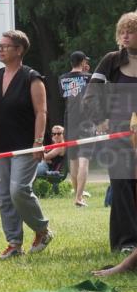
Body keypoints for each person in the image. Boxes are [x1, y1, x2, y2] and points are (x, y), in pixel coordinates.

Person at [0, 30, 53, 258]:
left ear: (19, 50)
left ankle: (42, 230)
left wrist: (38, 141)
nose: (0, 50)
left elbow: (41, 112)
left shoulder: (32, 78)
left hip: (25, 145)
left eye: (5, 46)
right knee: (4, 196)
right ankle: (14, 243)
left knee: (18, 190)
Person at [84, 11, 137, 254]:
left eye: (131, 31)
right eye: (122, 31)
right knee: (121, 185)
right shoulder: (111, 60)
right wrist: (99, 119)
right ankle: (126, 242)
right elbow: (91, 93)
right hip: (118, 135)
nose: (125, 36)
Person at [59, 50, 93, 207]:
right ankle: (79, 197)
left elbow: (65, 95)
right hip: (87, 120)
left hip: (70, 120)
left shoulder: (62, 78)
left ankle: (77, 195)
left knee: (73, 160)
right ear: (83, 62)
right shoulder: (90, 77)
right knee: (84, 160)